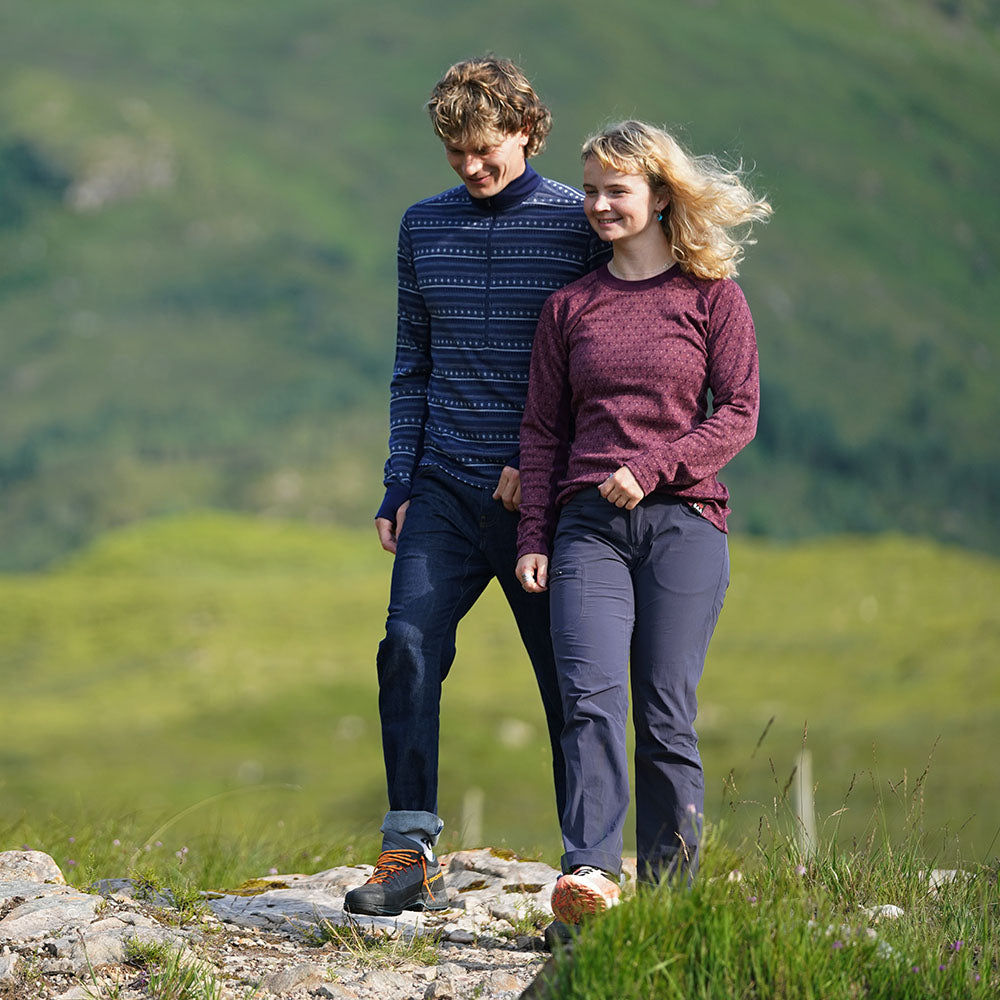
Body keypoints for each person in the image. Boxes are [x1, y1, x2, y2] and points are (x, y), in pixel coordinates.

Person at [343, 57, 610, 918]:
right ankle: (409, 851)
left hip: (545, 498)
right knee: (407, 649)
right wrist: (399, 482)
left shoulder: (580, 223)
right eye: (455, 151)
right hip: (446, 488)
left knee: (568, 682)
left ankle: (587, 870)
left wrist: (546, 465)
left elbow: (598, 366)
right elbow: (410, 367)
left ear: (527, 132)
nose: (470, 166)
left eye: (485, 148)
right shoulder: (422, 227)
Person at [515, 119, 772, 924]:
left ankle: (670, 903)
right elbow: (543, 433)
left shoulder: (713, 299)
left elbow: (739, 414)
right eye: (589, 190)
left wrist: (655, 466)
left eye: (615, 191)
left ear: (659, 195)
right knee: (589, 700)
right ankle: (588, 877)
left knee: (665, 711)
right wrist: (532, 537)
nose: (597, 204)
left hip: (683, 525)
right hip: (586, 528)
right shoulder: (570, 307)